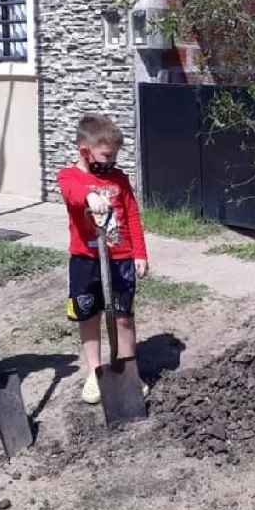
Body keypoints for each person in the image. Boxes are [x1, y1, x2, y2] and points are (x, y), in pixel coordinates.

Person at [57, 114, 150, 403]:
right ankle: (95, 371)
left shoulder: (118, 179)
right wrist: (90, 197)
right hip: (86, 260)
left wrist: (139, 253)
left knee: (124, 317)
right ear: (85, 151)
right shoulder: (69, 176)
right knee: (88, 316)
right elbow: (72, 193)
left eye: (114, 156)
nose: (111, 162)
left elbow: (132, 215)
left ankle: (126, 371)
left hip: (120, 258)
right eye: (106, 156)